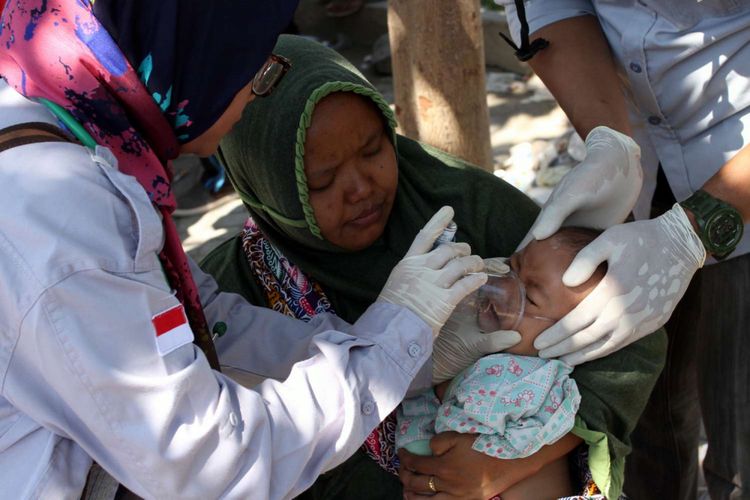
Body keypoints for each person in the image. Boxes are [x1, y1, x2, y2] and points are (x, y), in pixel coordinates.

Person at [0, 2, 491, 498]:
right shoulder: (66, 225)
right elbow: (207, 462)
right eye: (249, 68)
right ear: (191, 60)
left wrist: (404, 356)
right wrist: (391, 345)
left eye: (373, 151)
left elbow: (208, 325)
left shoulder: (71, 130)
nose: (257, 93)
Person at [202, 34, 667, 499]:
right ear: (267, 189)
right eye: (322, 181)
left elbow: (630, 333)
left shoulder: (457, 202)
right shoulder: (236, 289)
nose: (361, 187)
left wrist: (516, 458)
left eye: (372, 150)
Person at [498, 2, 750, 498]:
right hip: (639, 134)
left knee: (740, 424)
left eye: (530, 289)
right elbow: (549, 5)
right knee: (648, 426)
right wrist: (610, 140)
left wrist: (691, 233)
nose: (503, 291)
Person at [397, 227, 608, 500]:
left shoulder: (528, 378)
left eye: (530, 298)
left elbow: (446, 431)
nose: (505, 287)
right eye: (512, 266)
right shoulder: (484, 353)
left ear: (568, 337)